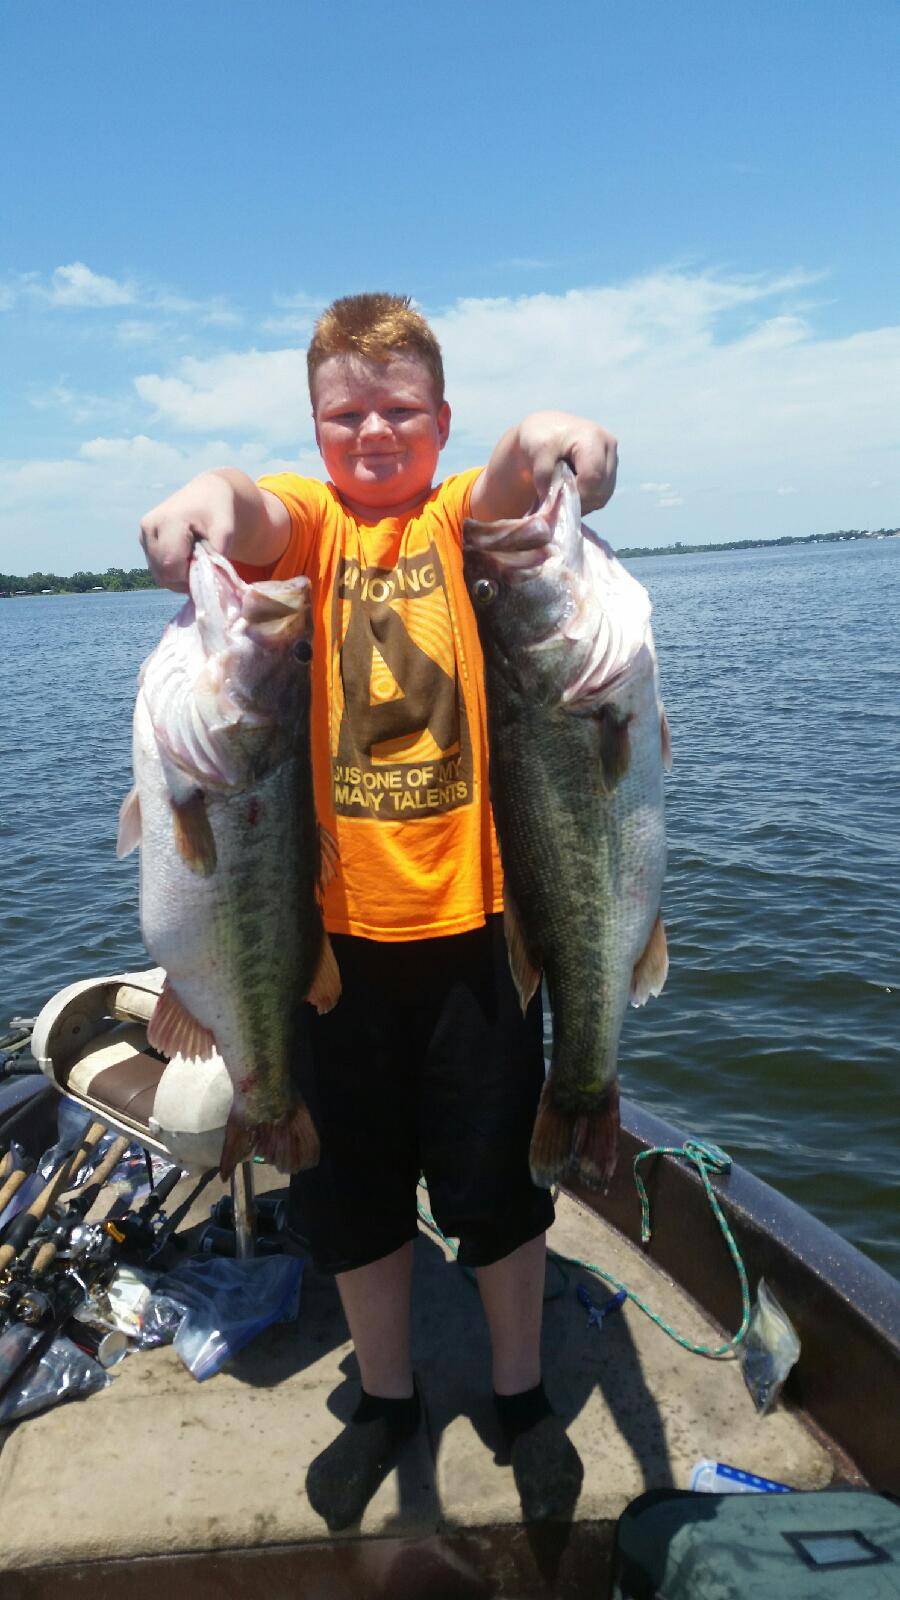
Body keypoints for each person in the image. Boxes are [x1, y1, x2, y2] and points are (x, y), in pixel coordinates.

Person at [140, 293, 618, 1528]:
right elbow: (250, 508)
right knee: (349, 1199)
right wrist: (204, 495)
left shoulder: (464, 521)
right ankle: (390, 1397)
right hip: (326, 957)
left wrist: (556, 433)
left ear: (439, 420)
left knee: (496, 1191)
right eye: (344, 413)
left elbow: (518, 473)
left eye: (398, 411)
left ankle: (521, 1397)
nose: (371, 433)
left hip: (476, 939)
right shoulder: (310, 538)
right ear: (315, 423)